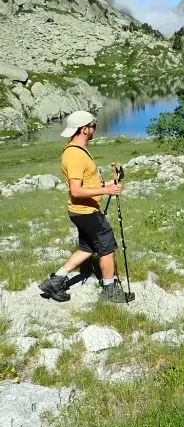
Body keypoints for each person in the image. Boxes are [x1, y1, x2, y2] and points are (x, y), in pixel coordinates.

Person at [38, 111, 134, 303]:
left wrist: (108, 184)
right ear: (84, 129)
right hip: (86, 212)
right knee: (107, 248)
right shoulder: (75, 155)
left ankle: (54, 282)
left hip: (80, 211)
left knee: (87, 248)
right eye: (93, 126)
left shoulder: (76, 150)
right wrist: (106, 191)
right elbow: (76, 190)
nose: (94, 129)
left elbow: (87, 184)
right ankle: (109, 291)